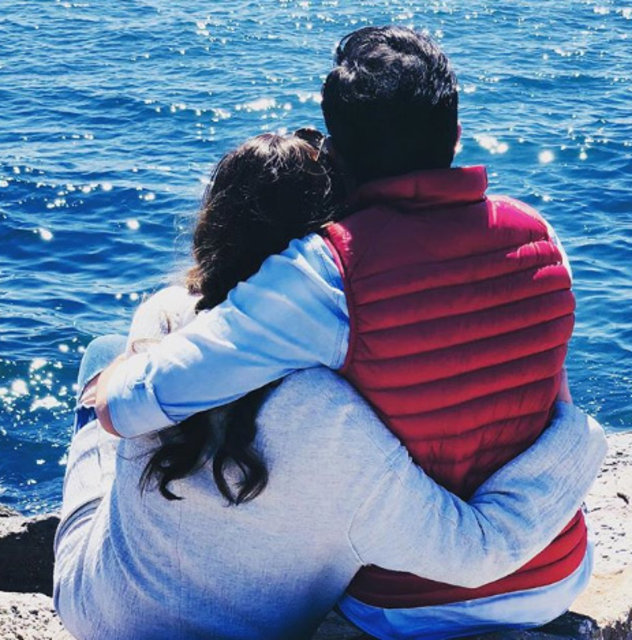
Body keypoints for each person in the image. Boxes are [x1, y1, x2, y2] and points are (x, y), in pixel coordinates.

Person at [88, 27, 592, 637]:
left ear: (336, 155)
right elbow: (552, 399)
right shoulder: (539, 238)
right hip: (559, 571)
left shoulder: (330, 272)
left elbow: (128, 406)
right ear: (457, 135)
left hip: (402, 607)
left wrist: (119, 372)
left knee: (107, 356)